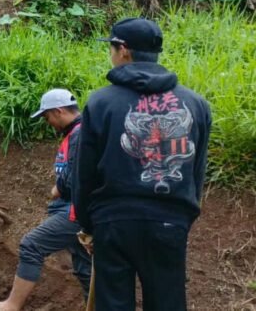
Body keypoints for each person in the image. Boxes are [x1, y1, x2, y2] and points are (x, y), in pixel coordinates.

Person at [73, 18, 211, 311]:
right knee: (167, 303)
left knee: (112, 304)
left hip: (113, 221)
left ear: (123, 50)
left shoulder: (101, 102)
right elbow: (197, 171)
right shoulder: (195, 104)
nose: (111, 54)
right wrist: (184, 215)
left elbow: (84, 173)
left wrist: (87, 223)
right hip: (170, 220)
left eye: (112, 48)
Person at [0, 89, 91, 311]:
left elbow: (79, 174)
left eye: (47, 117)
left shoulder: (80, 134)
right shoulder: (76, 133)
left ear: (58, 111)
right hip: (75, 208)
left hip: (75, 210)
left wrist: (58, 188)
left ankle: (11, 305)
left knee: (32, 245)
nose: (47, 122)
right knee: (85, 267)